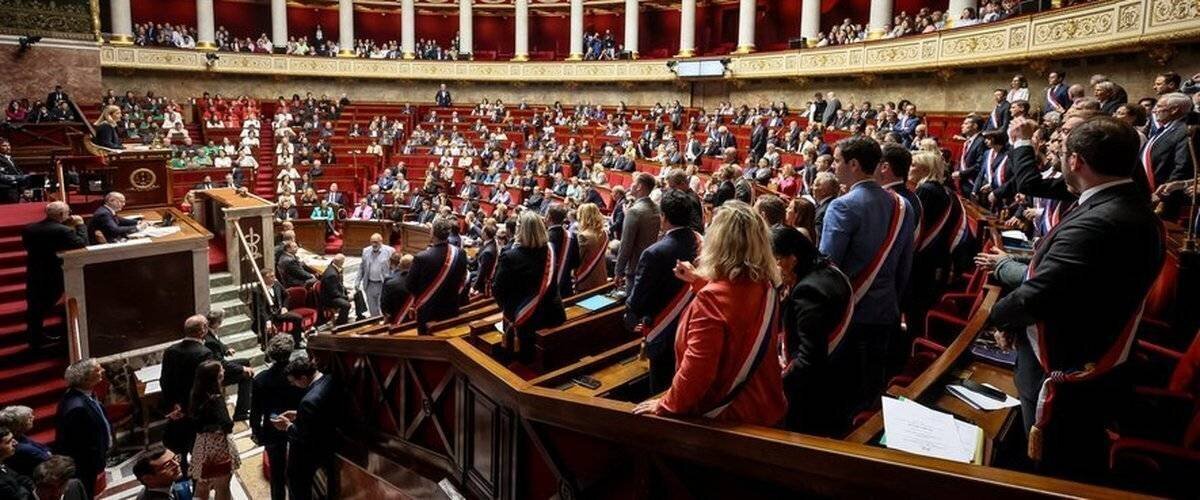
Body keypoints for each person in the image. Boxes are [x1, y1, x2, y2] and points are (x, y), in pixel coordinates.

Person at [988, 116, 1165, 480]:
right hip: (1093, 355)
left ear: (1075, 161)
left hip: (1065, 369)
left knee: (1055, 467)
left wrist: (1000, 317)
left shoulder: (1099, 220)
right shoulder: (1125, 202)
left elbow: (1042, 293)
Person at [632, 201, 786, 426]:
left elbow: (698, 371)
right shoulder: (765, 285)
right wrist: (699, 282)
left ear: (718, 242)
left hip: (728, 418)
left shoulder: (710, 299)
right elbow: (736, 307)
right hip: (766, 405)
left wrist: (666, 404)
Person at [819, 136, 916, 429]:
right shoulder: (903, 205)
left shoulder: (842, 206)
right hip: (885, 308)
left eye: (836, 161)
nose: (833, 166)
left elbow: (827, 267)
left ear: (854, 164)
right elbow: (904, 265)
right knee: (873, 383)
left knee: (841, 386)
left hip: (849, 311)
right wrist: (893, 301)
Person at [771, 226, 851, 436]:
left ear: (793, 259)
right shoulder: (830, 270)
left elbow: (809, 358)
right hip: (840, 377)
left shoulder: (807, 292)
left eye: (776, 259)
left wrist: (777, 383)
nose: (774, 266)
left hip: (812, 398)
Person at [625, 190, 702, 393]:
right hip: (692, 328)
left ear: (664, 217)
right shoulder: (700, 242)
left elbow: (638, 300)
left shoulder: (654, 252)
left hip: (663, 330)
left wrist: (630, 312)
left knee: (660, 388)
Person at [492, 211, 567, 362]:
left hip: (524, 321)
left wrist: (508, 308)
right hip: (552, 313)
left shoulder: (510, 256)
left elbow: (497, 290)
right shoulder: (550, 250)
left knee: (519, 359)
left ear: (520, 231)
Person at [275, 355, 344, 500]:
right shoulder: (329, 378)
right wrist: (299, 414)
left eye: (294, 382)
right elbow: (322, 414)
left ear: (303, 378)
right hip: (335, 439)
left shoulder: (308, 401)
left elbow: (304, 437)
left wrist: (287, 426)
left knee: (297, 484)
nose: (294, 385)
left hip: (317, 450)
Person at [22, 201, 88, 349]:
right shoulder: (63, 231)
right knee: (48, 304)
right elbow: (82, 244)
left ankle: (34, 337)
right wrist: (80, 224)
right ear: (61, 215)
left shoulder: (29, 229)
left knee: (35, 307)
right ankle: (44, 338)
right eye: (67, 212)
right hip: (54, 275)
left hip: (34, 272)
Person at [249, 336, 305, 500]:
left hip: (272, 427)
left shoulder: (260, 379)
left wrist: (256, 432)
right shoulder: (300, 375)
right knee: (298, 471)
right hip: (297, 426)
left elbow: (255, 411)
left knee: (277, 474)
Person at [160, 315, 215, 476]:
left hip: (176, 411)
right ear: (203, 330)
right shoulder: (204, 353)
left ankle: (183, 472)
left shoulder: (171, 350)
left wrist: (174, 405)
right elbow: (205, 387)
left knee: (181, 447)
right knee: (197, 449)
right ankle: (198, 481)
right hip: (195, 411)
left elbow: (165, 380)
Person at [54, 358, 111, 499]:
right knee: (86, 492)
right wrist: (96, 460)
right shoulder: (76, 408)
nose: (102, 371)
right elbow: (79, 445)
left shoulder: (85, 394)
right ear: (85, 378)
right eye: (97, 370)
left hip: (90, 460)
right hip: (84, 465)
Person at [404, 216, 468, 333]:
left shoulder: (421, 257)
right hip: (451, 307)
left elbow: (409, 285)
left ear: (432, 233)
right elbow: (463, 279)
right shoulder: (460, 253)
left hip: (428, 310)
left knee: (426, 343)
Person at [188, 360, 240, 500]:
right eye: (221, 369)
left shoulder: (196, 394)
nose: (224, 370)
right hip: (218, 447)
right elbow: (226, 424)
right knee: (222, 487)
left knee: (202, 484)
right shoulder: (216, 398)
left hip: (202, 444)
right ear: (217, 376)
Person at [202, 310, 253, 421]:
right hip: (216, 374)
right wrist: (242, 368)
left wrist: (226, 350)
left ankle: (247, 399)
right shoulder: (209, 339)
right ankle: (241, 412)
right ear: (216, 323)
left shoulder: (210, 331)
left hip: (219, 366)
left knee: (245, 361)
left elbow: (218, 343)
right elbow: (221, 362)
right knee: (247, 375)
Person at [614, 173, 661, 291]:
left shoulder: (634, 211)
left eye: (633, 182)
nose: (631, 185)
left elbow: (626, 245)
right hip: (652, 264)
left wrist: (618, 271)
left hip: (635, 267)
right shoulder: (657, 208)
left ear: (639, 186)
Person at [254, 270, 306, 344]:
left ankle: (297, 341)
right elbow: (260, 309)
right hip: (267, 316)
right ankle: (268, 346)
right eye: (271, 276)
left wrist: (284, 307)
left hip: (279, 312)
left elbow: (286, 295)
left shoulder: (276, 283)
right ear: (263, 278)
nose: (274, 278)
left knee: (298, 318)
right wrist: (267, 320)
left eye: (274, 275)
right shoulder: (257, 290)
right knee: (267, 329)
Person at [0, 406, 49, 478]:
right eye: (29, 418)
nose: (33, 417)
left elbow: (43, 447)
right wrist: (47, 452)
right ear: (19, 425)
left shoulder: (19, 435)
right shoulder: (23, 448)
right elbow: (48, 460)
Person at [545, 205, 579, 298]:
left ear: (548, 218)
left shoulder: (544, 239)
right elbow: (576, 262)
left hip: (547, 287)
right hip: (565, 286)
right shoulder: (571, 236)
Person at [573, 203, 609, 291]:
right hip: (601, 277)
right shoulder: (604, 233)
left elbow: (577, 260)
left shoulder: (583, 236)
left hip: (587, 278)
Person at [358, 233, 395, 318]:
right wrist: (357, 281)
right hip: (369, 284)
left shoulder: (390, 251)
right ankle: (375, 325)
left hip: (383, 284)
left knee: (382, 306)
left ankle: (382, 326)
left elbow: (393, 268)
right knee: (372, 308)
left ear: (381, 241)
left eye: (376, 242)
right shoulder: (366, 251)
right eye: (372, 242)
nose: (374, 244)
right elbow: (361, 267)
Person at [0, 427, 34, 499]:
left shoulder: (3, 462)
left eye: (13, 439)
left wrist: (35, 488)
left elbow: (20, 478)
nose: (15, 442)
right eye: (8, 442)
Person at [319, 254, 351, 326]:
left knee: (357, 293)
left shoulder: (333, 267)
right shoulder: (331, 274)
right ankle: (340, 323)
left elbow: (337, 285)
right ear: (341, 262)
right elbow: (334, 293)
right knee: (346, 305)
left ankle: (360, 315)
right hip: (329, 299)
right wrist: (346, 297)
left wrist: (345, 290)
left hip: (334, 294)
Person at [380, 253, 413, 322]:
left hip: (396, 320)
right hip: (415, 319)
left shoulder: (390, 283)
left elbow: (384, 306)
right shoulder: (422, 281)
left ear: (400, 266)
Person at [0, 139, 27, 203]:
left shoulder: (10, 158)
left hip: (15, 190)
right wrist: (19, 178)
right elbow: (2, 176)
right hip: (5, 191)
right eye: (4, 146)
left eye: (9, 145)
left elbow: (18, 171)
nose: (8, 147)